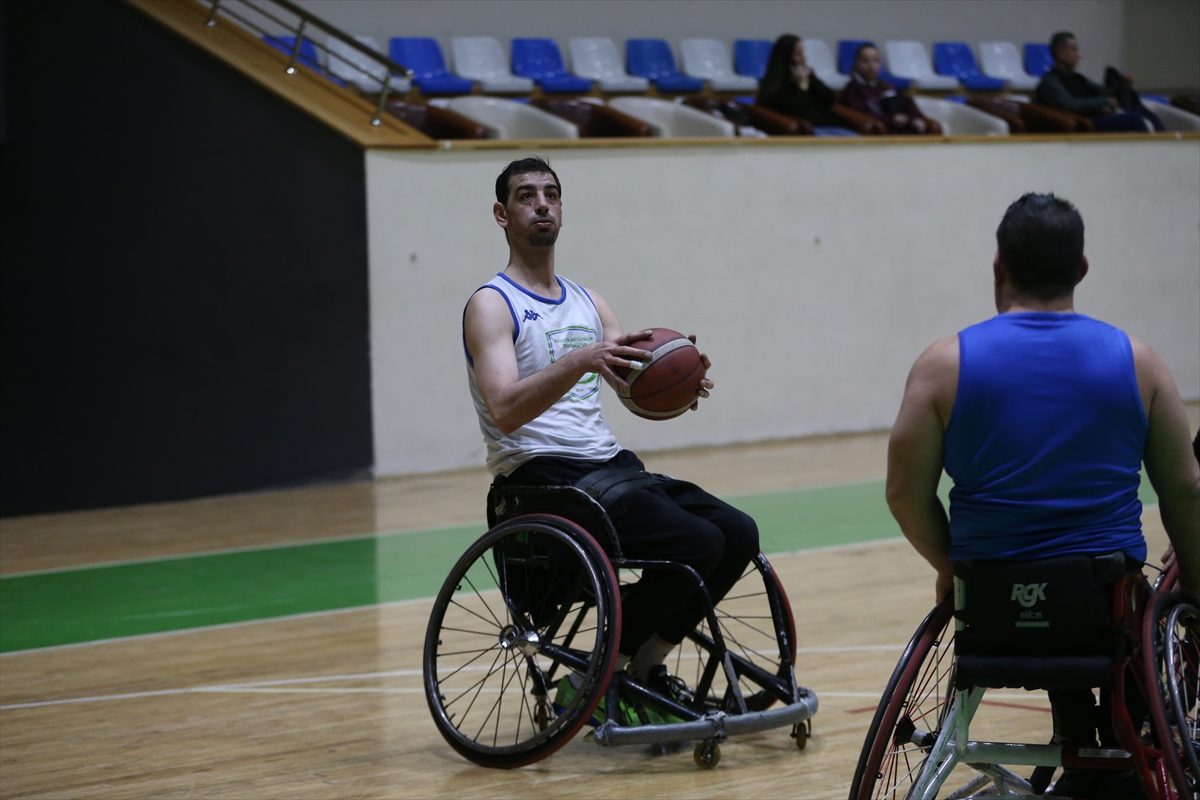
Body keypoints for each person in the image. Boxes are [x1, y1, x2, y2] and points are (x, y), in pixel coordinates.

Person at [886, 193, 1200, 800]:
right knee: (1123, 604)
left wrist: (950, 568)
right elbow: (1184, 489)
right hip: (1100, 602)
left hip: (991, 602)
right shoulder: (1140, 363)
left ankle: (1082, 751)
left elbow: (905, 494)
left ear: (998, 265)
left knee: (1049, 590)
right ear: (1081, 269)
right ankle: (1114, 757)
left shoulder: (941, 366)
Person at [462, 156, 760, 721]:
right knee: (696, 543)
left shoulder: (589, 301)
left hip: (607, 465)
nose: (542, 204)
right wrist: (581, 359)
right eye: (526, 195)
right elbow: (503, 408)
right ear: (502, 214)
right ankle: (591, 678)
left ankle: (644, 664)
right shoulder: (492, 303)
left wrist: (680, 377)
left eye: (551, 193)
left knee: (737, 533)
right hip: (539, 476)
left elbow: (632, 378)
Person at [1036, 32, 1164, 132]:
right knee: (1135, 120)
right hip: (1086, 121)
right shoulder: (1050, 82)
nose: (1078, 55)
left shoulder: (1077, 77)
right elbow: (1070, 104)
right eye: (1074, 50)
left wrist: (1121, 85)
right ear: (1060, 53)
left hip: (1098, 115)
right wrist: (1104, 101)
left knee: (1150, 116)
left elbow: (1101, 90)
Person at [755, 34, 857, 137]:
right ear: (787, 58)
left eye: (802, 53)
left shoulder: (808, 77)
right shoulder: (777, 87)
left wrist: (811, 79)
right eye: (798, 54)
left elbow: (830, 98)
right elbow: (799, 112)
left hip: (829, 125)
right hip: (811, 130)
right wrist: (801, 87)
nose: (803, 59)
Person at [840, 43, 936, 134]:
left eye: (875, 60)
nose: (871, 65)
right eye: (865, 61)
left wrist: (917, 118)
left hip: (898, 129)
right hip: (880, 132)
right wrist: (892, 120)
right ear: (857, 63)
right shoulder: (852, 89)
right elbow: (860, 115)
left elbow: (906, 101)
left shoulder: (883, 86)